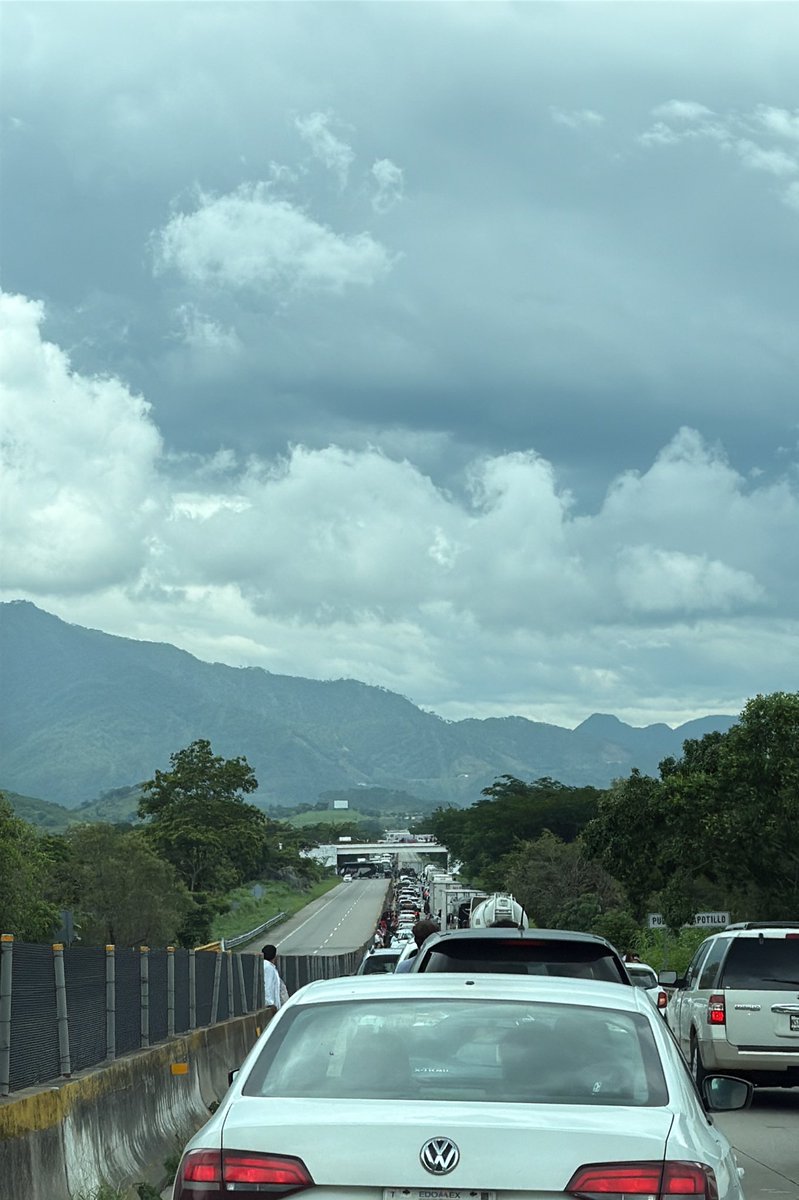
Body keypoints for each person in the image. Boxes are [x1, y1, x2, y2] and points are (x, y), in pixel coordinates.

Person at [262, 943, 287, 1009]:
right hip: (271, 1007)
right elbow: (268, 986)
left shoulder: (266, 966)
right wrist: (270, 1003)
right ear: (274, 956)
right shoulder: (268, 968)